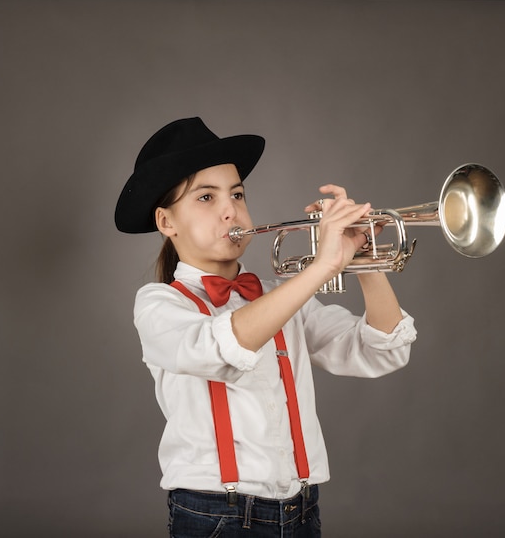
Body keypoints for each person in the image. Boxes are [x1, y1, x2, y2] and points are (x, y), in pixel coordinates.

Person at [115, 117, 417, 537]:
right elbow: (222, 348)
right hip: (214, 514)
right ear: (167, 223)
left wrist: (363, 259)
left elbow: (381, 349)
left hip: (302, 508)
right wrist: (323, 266)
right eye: (206, 197)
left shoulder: (279, 295)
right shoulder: (158, 304)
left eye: (237, 194)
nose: (230, 210)